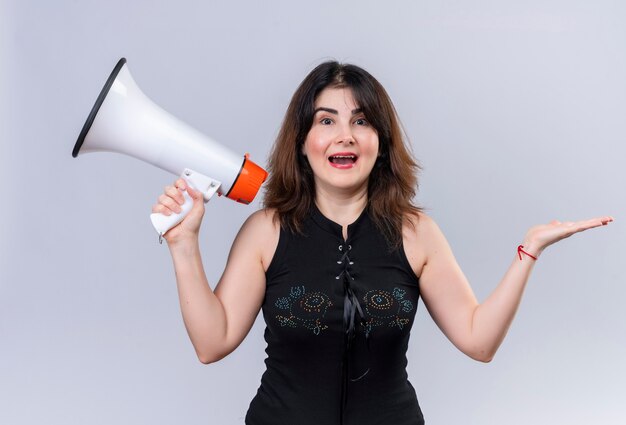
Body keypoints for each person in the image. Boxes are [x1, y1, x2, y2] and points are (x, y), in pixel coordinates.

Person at [151, 62, 613, 425]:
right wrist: (184, 244)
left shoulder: (416, 233)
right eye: (326, 120)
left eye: (362, 121)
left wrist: (529, 250)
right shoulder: (266, 230)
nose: (344, 135)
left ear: (381, 142)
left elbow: (479, 341)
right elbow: (212, 344)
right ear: (303, 143)